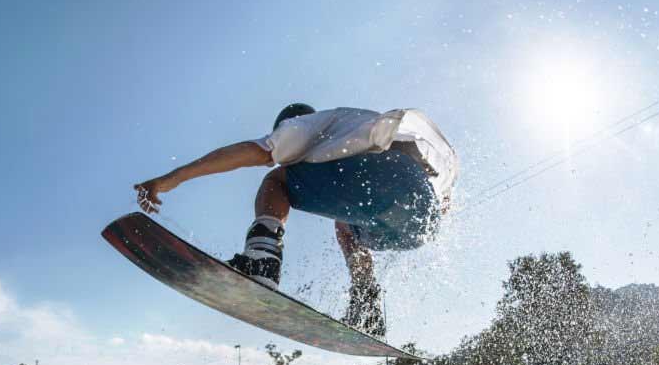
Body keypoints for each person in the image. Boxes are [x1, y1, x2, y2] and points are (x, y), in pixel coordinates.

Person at [134, 104, 458, 338]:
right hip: (419, 220)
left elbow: (253, 151)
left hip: (386, 178)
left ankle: (262, 263)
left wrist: (172, 178)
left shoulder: (304, 124)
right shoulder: (352, 131)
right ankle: (367, 304)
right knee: (346, 227)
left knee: (277, 180)